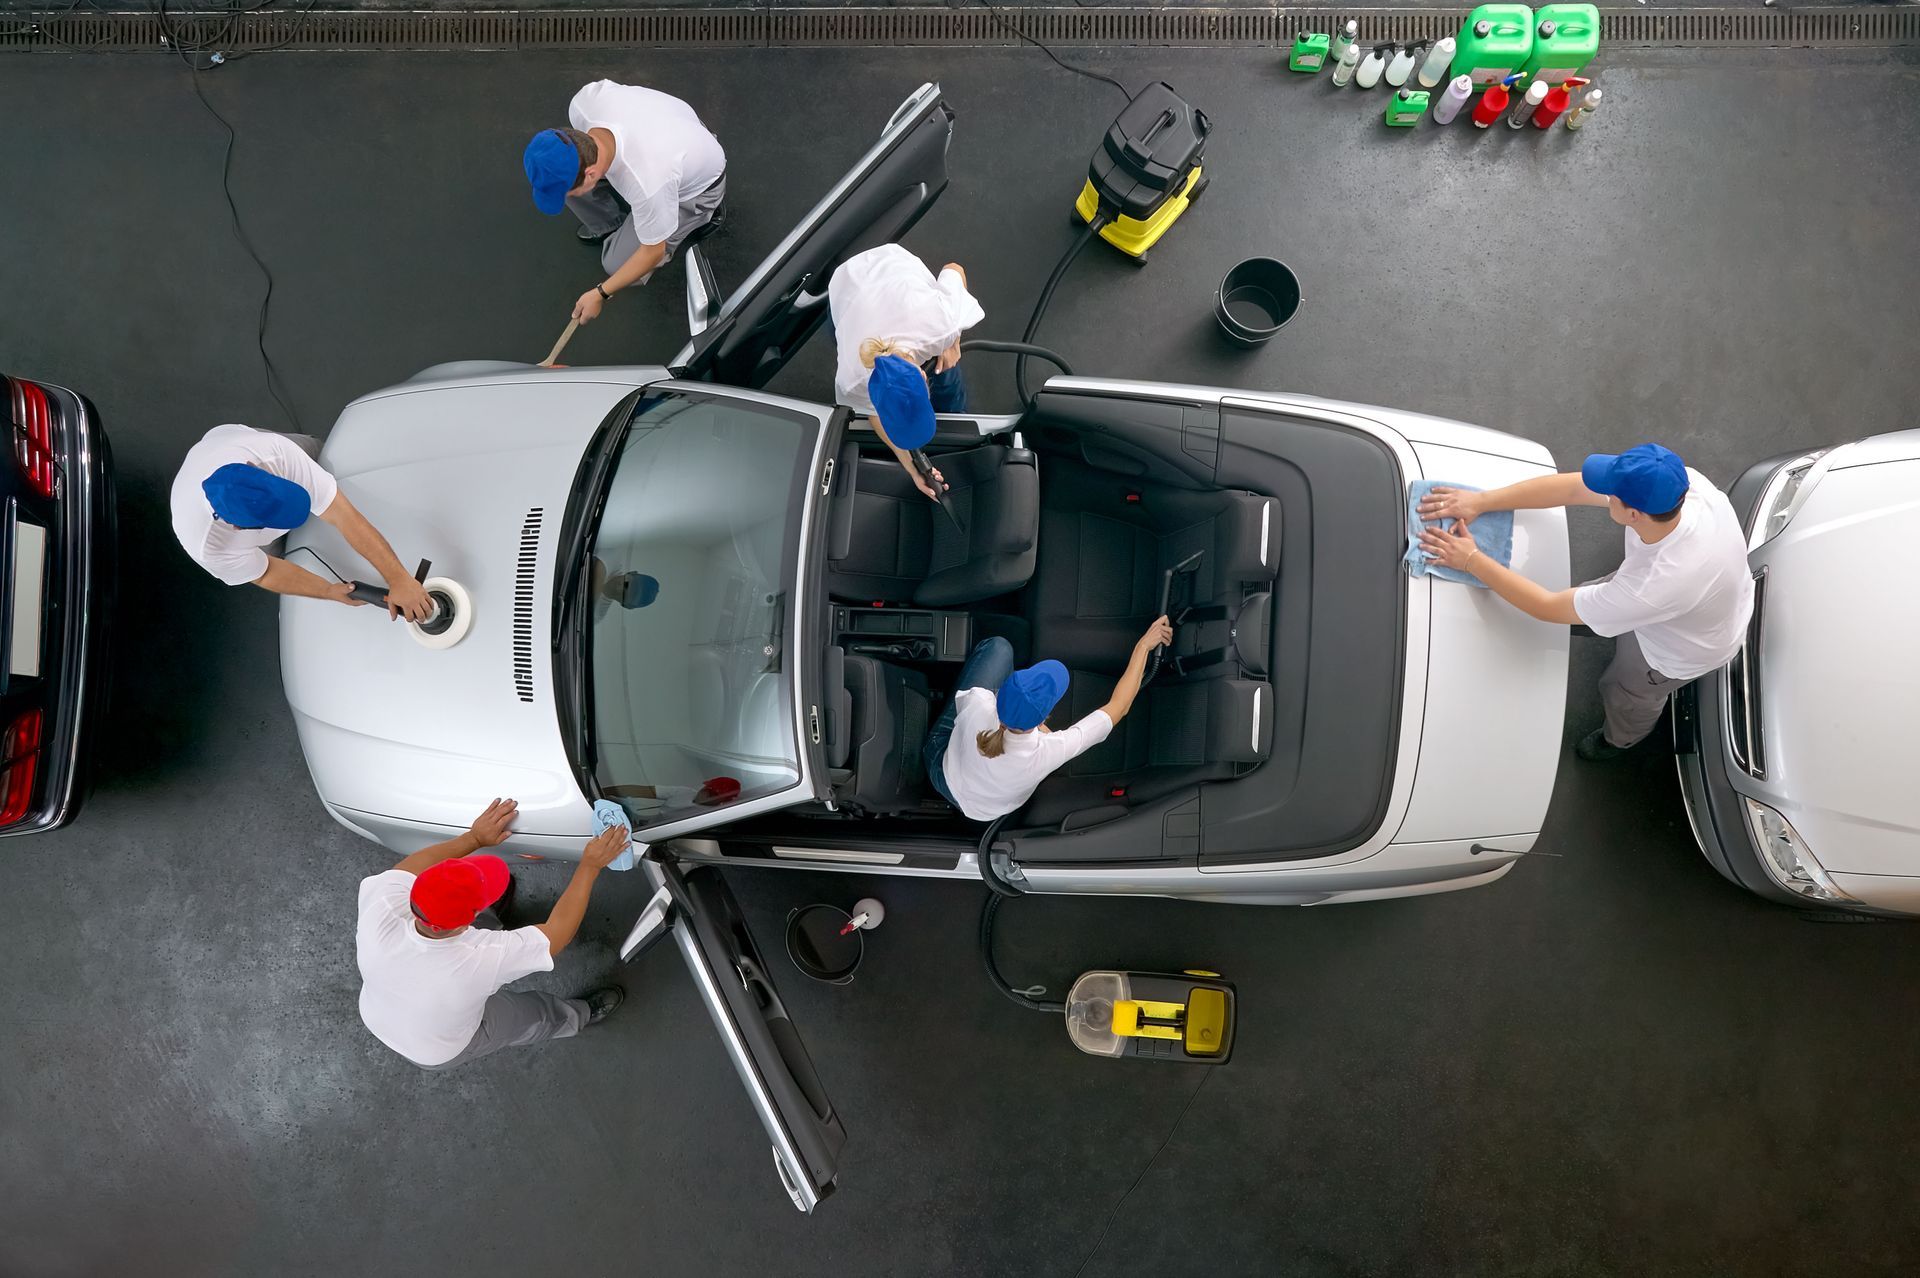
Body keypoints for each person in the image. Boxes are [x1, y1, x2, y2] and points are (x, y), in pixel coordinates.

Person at [1417, 443, 1754, 761]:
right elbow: (1572, 489)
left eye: (1611, 494)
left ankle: (1621, 740)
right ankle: (1596, 625)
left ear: (1634, 514)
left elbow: (1548, 607)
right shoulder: (1686, 487)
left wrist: (1471, 559)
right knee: (1598, 604)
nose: (1604, 494)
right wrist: (1482, 501)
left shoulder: (1653, 585)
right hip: (1694, 599)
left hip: (1680, 650)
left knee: (1626, 694)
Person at [355, 797, 630, 1070]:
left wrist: (474, 838)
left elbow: (410, 866)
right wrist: (589, 867)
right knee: (530, 1016)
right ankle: (577, 1016)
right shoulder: (478, 959)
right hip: (437, 1046)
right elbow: (556, 935)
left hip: (378, 1009)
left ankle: (491, 917)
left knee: (474, 934)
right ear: (465, 924)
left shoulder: (384, 903)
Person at [170, 423, 432, 620]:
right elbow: (266, 572)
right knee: (279, 554)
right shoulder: (208, 545)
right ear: (240, 528)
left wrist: (398, 578)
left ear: (258, 469)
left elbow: (344, 515)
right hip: (220, 518)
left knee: (318, 451)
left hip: (230, 438)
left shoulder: (276, 454)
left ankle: (314, 462)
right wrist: (327, 591)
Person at [522, 79, 727, 329]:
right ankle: (615, 225)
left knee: (614, 264)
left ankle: (704, 215)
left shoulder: (649, 181)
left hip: (698, 184)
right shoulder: (583, 104)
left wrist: (600, 293)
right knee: (572, 192)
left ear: (591, 174)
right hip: (673, 132)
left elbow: (653, 252)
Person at [926, 618, 1172, 822]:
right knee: (1001, 650)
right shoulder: (1048, 751)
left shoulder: (980, 703)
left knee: (999, 648)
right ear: (1043, 717)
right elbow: (1119, 706)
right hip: (979, 808)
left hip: (947, 773)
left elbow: (1120, 707)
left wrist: (1145, 645)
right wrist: (1143, 647)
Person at [827, 245, 985, 500]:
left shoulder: (940, 323)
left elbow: (954, 268)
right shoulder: (851, 379)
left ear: (924, 375)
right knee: (843, 337)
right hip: (847, 290)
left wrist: (954, 339)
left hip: (890, 264)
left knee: (949, 388)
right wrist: (914, 468)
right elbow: (874, 414)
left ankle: (958, 421)